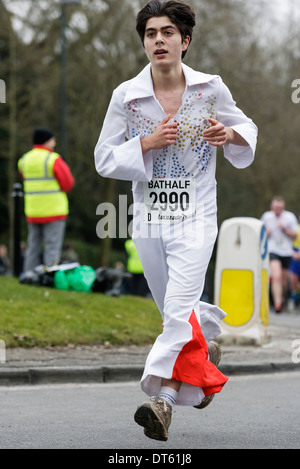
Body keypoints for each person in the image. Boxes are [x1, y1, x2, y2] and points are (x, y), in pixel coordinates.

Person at [94, 0, 257, 441]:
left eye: (167, 32)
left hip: (196, 216)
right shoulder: (126, 96)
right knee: (175, 310)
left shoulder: (210, 89)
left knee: (174, 312)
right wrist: (145, 142)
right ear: (144, 42)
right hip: (149, 218)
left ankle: (161, 400)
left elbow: (247, 129)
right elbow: (103, 158)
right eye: (150, 33)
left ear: (184, 41)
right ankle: (204, 344)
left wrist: (230, 133)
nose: (158, 40)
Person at [18, 127, 74, 272]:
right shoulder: (53, 159)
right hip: (53, 210)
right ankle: (49, 277)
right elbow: (68, 183)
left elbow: (25, 180)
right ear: (47, 141)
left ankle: (28, 275)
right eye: (53, 140)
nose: (54, 143)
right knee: (52, 247)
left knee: (33, 247)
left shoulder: (24, 160)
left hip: (33, 210)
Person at [261, 196, 298, 313]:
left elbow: (295, 235)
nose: (278, 210)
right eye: (276, 207)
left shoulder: (289, 217)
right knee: (276, 276)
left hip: (286, 251)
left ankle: (281, 298)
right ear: (272, 207)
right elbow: (260, 233)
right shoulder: (266, 217)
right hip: (272, 250)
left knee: (283, 280)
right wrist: (266, 233)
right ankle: (277, 304)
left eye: (280, 208)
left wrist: (285, 230)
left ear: (283, 207)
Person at [288, 215, 300, 310]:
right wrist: (292, 253)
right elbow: (287, 242)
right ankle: (293, 300)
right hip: (294, 255)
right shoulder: (294, 228)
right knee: (293, 280)